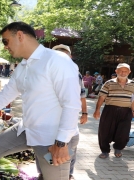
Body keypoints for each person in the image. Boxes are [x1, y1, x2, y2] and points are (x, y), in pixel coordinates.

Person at [0, 22, 81, 180]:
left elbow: (71, 104)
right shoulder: (23, 67)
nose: (5, 47)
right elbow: (3, 97)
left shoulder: (57, 60)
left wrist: (62, 143)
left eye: (5, 41)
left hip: (53, 138)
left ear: (20, 35)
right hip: (27, 129)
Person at [51, 44, 88, 180]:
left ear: (70, 56)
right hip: (49, 120)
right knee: (49, 150)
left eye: (64, 54)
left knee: (69, 148)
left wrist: (84, 113)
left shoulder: (75, 73)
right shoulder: (47, 70)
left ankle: (68, 174)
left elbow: (82, 96)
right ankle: (48, 172)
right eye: (58, 53)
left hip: (67, 121)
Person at [93, 63, 134, 159]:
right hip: (110, 110)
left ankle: (118, 148)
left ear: (129, 72)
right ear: (116, 71)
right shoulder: (108, 83)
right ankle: (105, 151)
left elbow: (133, 99)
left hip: (126, 112)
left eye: (125, 71)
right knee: (105, 131)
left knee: (123, 131)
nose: (123, 72)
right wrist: (97, 110)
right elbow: (101, 97)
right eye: (121, 70)